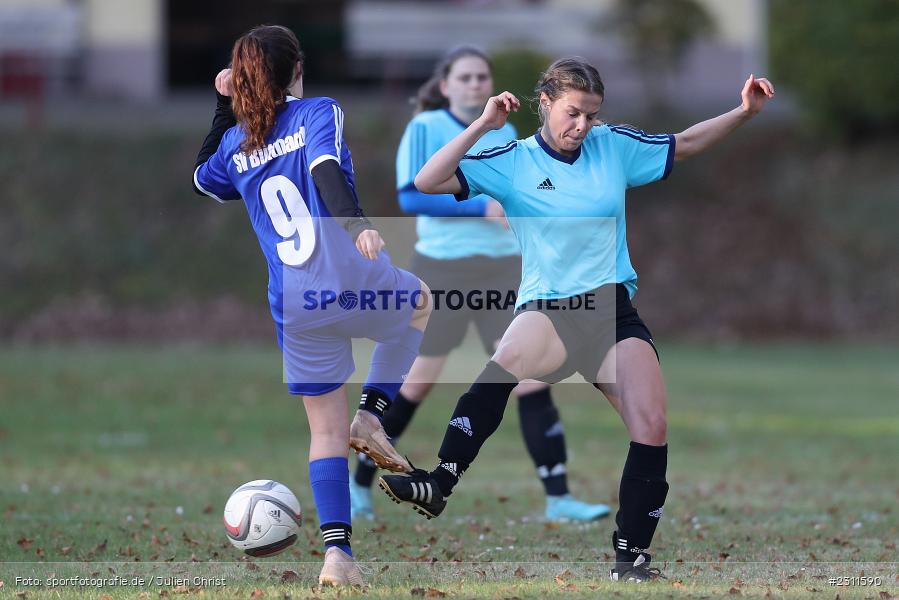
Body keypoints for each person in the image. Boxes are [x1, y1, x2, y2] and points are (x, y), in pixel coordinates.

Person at [379, 57, 775, 582]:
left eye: (591, 115)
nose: (582, 126)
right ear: (544, 103)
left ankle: (630, 559)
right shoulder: (512, 160)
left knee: (651, 427)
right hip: (551, 306)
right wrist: (482, 125)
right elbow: (427, 181)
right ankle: (439, 484)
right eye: (573, 113)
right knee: (504, 365)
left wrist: (743, 112)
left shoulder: (611, 145)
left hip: (612, 310)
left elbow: (686, 143)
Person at [191, 25, 433, 586]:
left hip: (295, 303)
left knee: (323, 433)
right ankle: (373, 414)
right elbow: (323, 168)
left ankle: (338, 557)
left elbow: (204, 181)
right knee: (420, 302)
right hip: (348, 275)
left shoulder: (236, 144)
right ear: (296, 70)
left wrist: (221, 107)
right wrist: (358, 225)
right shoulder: (318, 110)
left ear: (242, 79)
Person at [349, 46, 609, 523]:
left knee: (529, 379)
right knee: (422, 380)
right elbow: (411, 195)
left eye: (482, 77)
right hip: (444, 268)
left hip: (502, 269)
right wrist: (480, 208)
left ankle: (559, 497)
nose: (475, 84)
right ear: (445, 86)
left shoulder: (507, 131)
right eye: (465, 77)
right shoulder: (425, 128)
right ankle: (359, 483)